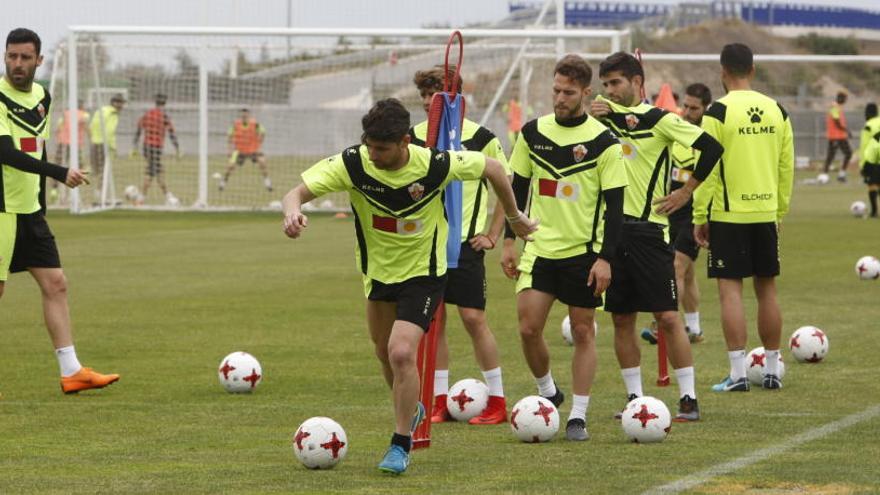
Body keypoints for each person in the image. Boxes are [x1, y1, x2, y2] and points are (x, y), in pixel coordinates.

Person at [281, 98, 536, 474]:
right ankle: (411, 406)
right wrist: (292, 212)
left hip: (425, 273)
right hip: (378, 274)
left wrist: (514, 217)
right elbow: (296, 192)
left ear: (404, 142)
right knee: (385, 353)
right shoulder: (354, 162)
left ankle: (401, 443)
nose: (374, 155)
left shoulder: (434, 164)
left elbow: (496, 168)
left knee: (402, 353)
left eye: (381, 149)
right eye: (369, 146)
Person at [590, 51, 724, 421]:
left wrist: (686, 191)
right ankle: (635, 399)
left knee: (666, 316)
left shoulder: (663, 120)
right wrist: (592, 114)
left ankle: (688, 399)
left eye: (616, 83)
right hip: (610, 233)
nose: (609, 91)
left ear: (637, 82)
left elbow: (712, 148)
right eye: (605, 85)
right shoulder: (600, 117)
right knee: (620, 319)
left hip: (651, 231)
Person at [501, 54, 627, 441]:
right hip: (539, 249)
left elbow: (616, 208)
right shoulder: (533, 133)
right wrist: (508, 240)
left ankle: (579, 415)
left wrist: (605, 258)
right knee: (527, 328)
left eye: (568, 92)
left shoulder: (604, 142)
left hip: (584, 254)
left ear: (586, 93)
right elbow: (516, 190)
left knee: (584, 331)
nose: (559, 98)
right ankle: (548, 393)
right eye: (556, 90)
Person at [656, 43, 794, 392]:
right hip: (764, 213)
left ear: (722, 71)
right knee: (767, 290)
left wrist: (700, 215)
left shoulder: (717, 112)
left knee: (730, 292)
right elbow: (785, 167)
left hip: (729, 214)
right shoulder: (777, 109)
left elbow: (709, 166)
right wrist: (778, 211)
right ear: (753, 70)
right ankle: (773, 371)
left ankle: (737, 374)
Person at [0, 28, 119, 395]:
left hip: (30, 212)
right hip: (1, 211)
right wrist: (60, 174)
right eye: (11, 56)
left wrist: (43, 200)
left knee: (56, 284)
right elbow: (6, 152)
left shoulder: (42, 97)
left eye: (24, 57)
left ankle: (71, 371)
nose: (16, 64)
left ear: (39, 60)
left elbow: (37, 149)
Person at [409, 65, 510, 425]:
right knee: (433, 321)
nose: (426, 102)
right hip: (425, 244)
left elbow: (505, 186)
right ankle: (438, 400)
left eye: (433, 94)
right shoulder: (413, 137)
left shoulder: (482, 137)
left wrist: (493, 234)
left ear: (453, 97)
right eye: (422, 95)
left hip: (467, 245)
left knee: (473, 318)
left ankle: (497, 401)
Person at [641, 83, 711, 345]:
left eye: (695, 108)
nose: (688, 112)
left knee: (677, 266)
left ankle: (664, 326)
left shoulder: (708, 134)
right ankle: (694, 329)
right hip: (671, 206)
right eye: (687, 106)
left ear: (705, 108)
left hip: (695, 209)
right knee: (688, 271)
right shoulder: (676, 127)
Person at [133, 93, 180, 203]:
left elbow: (139, 130)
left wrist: (135, 145)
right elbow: (171, 133)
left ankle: (166, 196)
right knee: (153, 172)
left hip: (146, 147)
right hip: (157, 147)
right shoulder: (164, 116)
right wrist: (177, 147)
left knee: (156, 171)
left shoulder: (147, 114)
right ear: (165, 103)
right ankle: (143, 197)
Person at [220, 108, 272, 192]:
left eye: (246, 115)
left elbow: (263, 132)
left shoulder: (255, 124)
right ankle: (223, 182)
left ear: (249, 115)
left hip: (253, 150)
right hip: (239, 150)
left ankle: (268, 183)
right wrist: (229, 150)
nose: (244, 116)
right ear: (241, 116)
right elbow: (229, 137)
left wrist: (259, 144)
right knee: (230, 166)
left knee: (262, 162)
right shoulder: (235, 125)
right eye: (243, 115)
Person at [89, 93, 126, 194]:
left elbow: (92, 125)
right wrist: (112, 146)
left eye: (122, 103)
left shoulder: (102, 110)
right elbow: (109, 131)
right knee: (103, 170)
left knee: (97, 170)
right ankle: (99, 192)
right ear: (114, 103)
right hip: (103, 144)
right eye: (120, 103)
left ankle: (99, 191)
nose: (122, 106)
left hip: (95, 142)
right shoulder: (112, 113)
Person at [823, 91, 852, 182]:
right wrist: (846, 130)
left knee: (846, 153)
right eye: (844, 99)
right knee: (832, 155)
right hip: (836, 136)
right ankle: (825, 175)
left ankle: (840, 175)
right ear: (840, 98)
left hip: (840, 136)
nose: (845, 101)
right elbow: (836, 121)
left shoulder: (837, 107)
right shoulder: (834, 107)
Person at [859, 103, 880, 217]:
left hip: (874, 159)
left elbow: (865, 146)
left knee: (872, 184)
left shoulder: (868, 126)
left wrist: (863, 164)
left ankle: (874, 212)